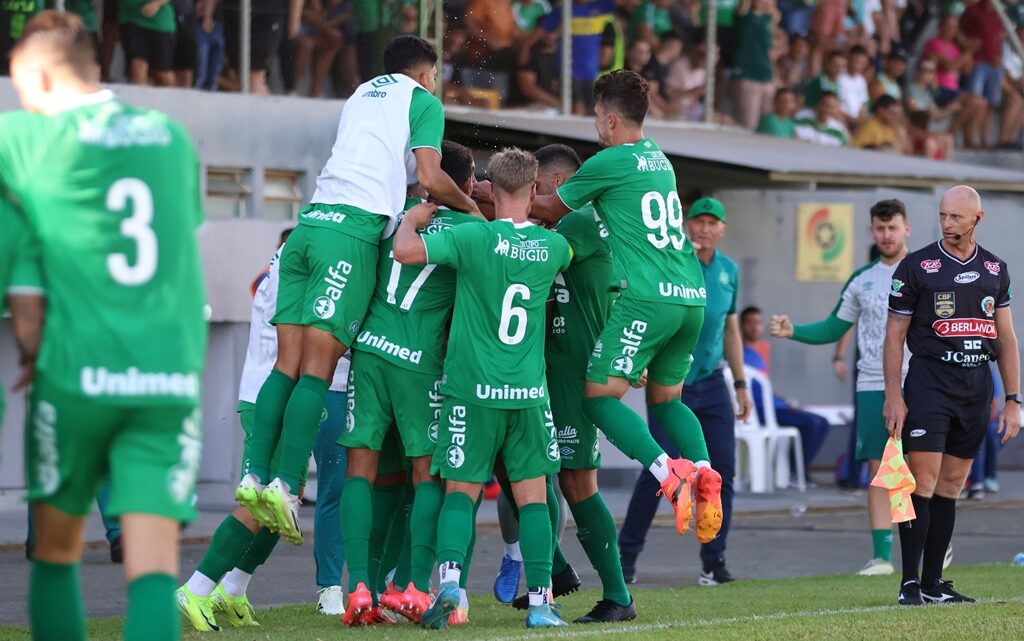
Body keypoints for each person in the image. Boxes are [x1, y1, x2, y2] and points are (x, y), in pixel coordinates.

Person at [0, 12, 206, 641]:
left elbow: (29, 287)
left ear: (40, 75)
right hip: (168, 374)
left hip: (78, 367)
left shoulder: (26, 139)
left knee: (56, 552)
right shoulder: (169, 136)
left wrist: (34, 350)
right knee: (151, 566)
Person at [236, 35, 479, 547]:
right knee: (317, 372)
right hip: (349, 234)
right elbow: (432, 179)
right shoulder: (424, 100)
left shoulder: (360, 94)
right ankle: (286, 485)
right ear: (423, 74)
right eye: (434, 77)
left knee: (286, 365)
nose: (434, 86)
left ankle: (254, 477)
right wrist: (475, 211)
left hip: (309, 224)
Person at [527, 69, 725, 545]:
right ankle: (702, 470)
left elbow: (552, 209)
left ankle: (666, 472)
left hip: (648, 296)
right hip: (691, 297)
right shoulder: (660, 159)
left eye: (596, 114)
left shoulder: (608, 160)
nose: (595, 122)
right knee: (667, 400)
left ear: (612, 119)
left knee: (598, 398)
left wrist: (483, 192)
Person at [393, 147, 572, 629]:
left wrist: (411, 220)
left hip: (471, 393)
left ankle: (450, 582)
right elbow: (566, 248)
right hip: (528, 395)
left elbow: (405, 252)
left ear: (489, 189)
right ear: (535, 191)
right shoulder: (554, 248)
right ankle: (540, 604)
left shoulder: (473, 237)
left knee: (460, 493)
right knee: (535, 499)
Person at [338, 141, 483, 625]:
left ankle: (358, 588)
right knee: (429, 477)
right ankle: (416, 587)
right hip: (420, 362)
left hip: (370, 352)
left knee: (361, 469)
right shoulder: (472, 229)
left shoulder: (392, 214)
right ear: (464, 183)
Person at [175, 242, 350, 631]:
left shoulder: (291, 254)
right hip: (272, 396)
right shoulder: (317, 260)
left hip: (268, 392)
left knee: (282, 501)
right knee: (261, 501)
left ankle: (233, 590)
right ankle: (197, 587)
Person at [884, 185, 1020, 605]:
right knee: (919, 481)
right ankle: (909, 582)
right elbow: (894, 336)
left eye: (956, 217)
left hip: (976, 386)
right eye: (943, 215)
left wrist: (1014, 399)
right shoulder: (915, 266)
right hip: (929, 383)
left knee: (951, 485)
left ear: (978, 219)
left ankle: (933, 583)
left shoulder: (996, 270)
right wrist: (894, 394)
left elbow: (1008, 339)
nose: (947, 224)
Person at [519, 144, 636, 622]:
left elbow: (531, 258)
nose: (538, 198)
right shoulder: (576, 223)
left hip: (573, 370)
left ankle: (618, 596)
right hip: (545, 367)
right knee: (522, 466)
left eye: (541, 189)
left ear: (561, 183)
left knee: (576, 481)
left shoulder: (580, 221)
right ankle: (557, 570)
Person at [771, 199, 912, 576]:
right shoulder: (862, 279)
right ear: (871, 232)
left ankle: (929, 548)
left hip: (918, 383)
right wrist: (793, 331)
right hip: (871, 385)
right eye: (880, 229)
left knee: (918, 470)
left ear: (906, 229)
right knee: (880, 471)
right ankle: (882, 557)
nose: (886, 235)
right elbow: (834, 328)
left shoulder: (923, 272)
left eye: (893, 228)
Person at [619, 197, 752, 587]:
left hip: (712, 383)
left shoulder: (728, 270)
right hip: (668, 384)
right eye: (698, 221)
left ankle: (714, 560)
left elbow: (731, 330)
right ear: (685, 224)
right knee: (658, 472)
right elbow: (651, 313)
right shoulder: (672, 261)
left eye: (713, 222)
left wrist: (741, 384)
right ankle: (627, 554)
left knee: (720, 471)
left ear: (723, 229)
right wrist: (639, 362)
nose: (705, 229)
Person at [742, 307, 830, 484]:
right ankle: (794, 471)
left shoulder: (759, 354)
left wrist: (783, 400)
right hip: (761, 411)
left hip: (777, 406)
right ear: (741, 325)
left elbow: (762, 386)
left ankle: (796, 468)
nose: (755, 327)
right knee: (813, 423)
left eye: (758, 322)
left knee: (821, 422)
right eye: (750, 322)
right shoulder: (739, 353)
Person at [960, 0, 1006, 149]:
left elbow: (1000, 37)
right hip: (978, 62)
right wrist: (968, 47)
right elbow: (960, 32)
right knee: (976, 100)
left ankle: (984, 138)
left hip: (995, 64)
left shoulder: (999, 13)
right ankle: (969, 138)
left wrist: (1000, 54)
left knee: (990, 104)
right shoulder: (973, 10)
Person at [730, 0, 780, 130]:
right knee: (748, 123)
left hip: (766, 74)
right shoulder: (744, 17)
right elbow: (741, 9)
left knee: (766, 123)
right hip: (747, 74)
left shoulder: (768, 19)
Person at [119, 0, 177, 85]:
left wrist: (157, 3)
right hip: (130, 18)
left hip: (160, 22)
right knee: (138, 68)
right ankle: (140, 97)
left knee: (162, 74)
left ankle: (174, 97)